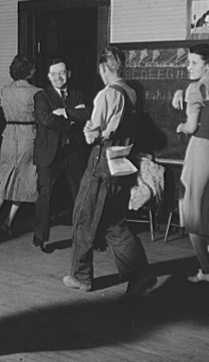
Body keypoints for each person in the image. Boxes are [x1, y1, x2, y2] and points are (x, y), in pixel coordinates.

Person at [62, 46, 156, 300]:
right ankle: (140, 274)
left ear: (104, 68)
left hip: (102, 162)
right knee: (114, 222)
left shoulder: (107, 94)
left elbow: (93, 134)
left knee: (83, 217)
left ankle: (81, 277)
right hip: (122, 164)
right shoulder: (132, 92)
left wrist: (89, 129)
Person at [172, 43, 209, 283]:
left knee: (192, 213)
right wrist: (183, 92)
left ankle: (207, 271)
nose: (187, 66)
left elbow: (191, 126)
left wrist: (180, 126)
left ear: (208, 64)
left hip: (201, 151)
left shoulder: (195, 88)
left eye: (193, 62)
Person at [32, 58, 90, 250]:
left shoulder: (77, 94)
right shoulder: (42, 96)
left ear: (69, 74)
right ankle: (39, 237)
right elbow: (46, 119)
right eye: (54, 74)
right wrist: (71, 120)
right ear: (49, 76)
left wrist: (64, 112)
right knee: (45, 195)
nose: (59, 77)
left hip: (73, 151)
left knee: (80, 194)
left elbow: (86, 114)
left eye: (62, 73)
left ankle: (84, 237)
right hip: (50, 153)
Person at [0, 54, 41, 243]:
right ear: (28, 70)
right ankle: (8, 222)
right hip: (27, 135)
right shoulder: (36, 91)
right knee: (24, 180)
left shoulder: (5, 90)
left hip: (8, 135)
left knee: (5, 179)